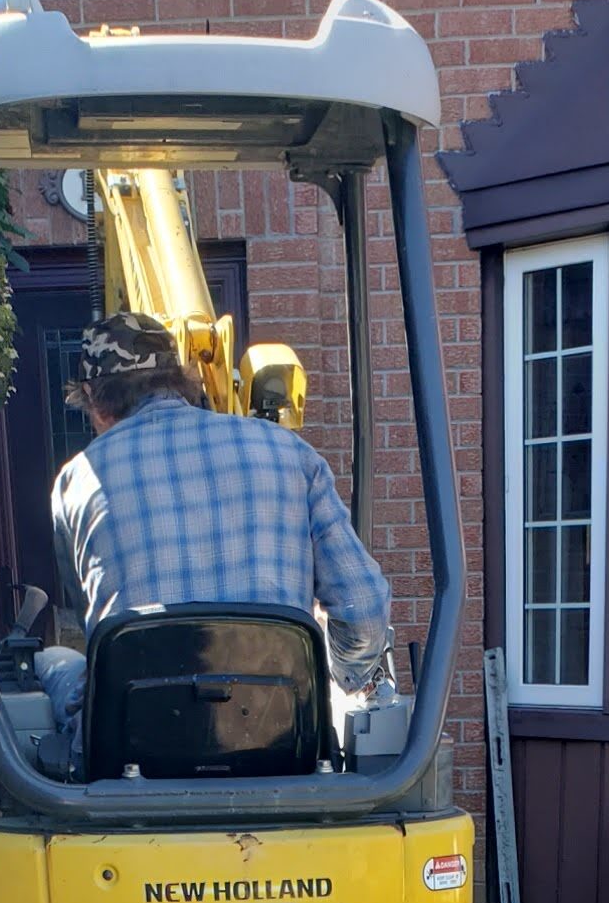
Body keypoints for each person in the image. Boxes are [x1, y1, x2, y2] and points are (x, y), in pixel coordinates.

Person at [37, 310, 391, 754]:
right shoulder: (290, 452)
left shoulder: (76, 481)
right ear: (180, 376)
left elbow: (93, 624)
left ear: (93, 397)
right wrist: (338, 681)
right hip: (283, 743)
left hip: (133, 752)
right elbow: (364, 607)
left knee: (52, 661)